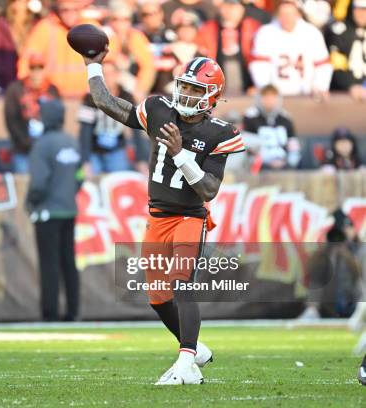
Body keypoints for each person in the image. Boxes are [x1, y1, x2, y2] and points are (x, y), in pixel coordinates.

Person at [82, 50, 245, 385]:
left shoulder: (220, 132)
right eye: (185, 86)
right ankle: (196, 348)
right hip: (157, 217)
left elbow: (209, 190)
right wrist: (92, 64)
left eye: (197, 90)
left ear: (211, 96)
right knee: (158, 296)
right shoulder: (159, 109)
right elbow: (107, 103)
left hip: (189, 216)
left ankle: (185, 363)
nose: (187, 94)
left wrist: (180, 154)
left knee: (182, 284)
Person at [27, 98, 82, 322]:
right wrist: (67, 193)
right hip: (69, 210)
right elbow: (80, 178)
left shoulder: (42, 145)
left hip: (47, 212)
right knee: (68, 262)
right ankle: (72, 311)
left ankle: (50, 312)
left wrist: (31, 201)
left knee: (49, 264)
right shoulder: (72, 142)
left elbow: (39, 182)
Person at [249, 0, 332, 99]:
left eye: (290, 14)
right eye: (283, 14)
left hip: (306, 95)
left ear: (298, 14)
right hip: (276, 96)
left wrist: (320, 87)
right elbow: (259, 66)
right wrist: (265, 88)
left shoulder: (312, 33)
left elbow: (323, 65)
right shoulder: (265, 33)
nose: (287, 18)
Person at [78, 57, 146, 176]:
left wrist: (141, 160)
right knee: (91, 183)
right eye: (105, 74)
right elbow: (85, 132)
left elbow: (136, 130)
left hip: (117, 150)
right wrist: (85, 161)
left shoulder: (126, 97)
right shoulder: (90, 98)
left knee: (119, 182)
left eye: (111, 73)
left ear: (118, 75)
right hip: (95, 151)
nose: (109, 78)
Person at [17, 0, 96, 97]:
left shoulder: (91, 27)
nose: (70, 14)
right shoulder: (45, 28)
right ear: (58, 9)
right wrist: (26, 91)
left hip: (86, 97)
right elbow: (27, 61)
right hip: (53, 98)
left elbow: (110, 54)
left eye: (75, 9)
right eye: (65, 10)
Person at [4, 53, 60, 173]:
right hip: (23, 149)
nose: (36, 72)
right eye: (33, 68)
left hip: (46, 148)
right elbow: (11, 119)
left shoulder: (52, 89)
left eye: (40, 68)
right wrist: (25, 142)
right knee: (24, 184)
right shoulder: (16, 89)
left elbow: (58, 118)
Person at [198, 0, 261, 95]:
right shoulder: (209, 28)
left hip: (247, 83)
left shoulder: (252, 26)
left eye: (234, 7)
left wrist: (257, 84)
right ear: (221, 8)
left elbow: (259, 58)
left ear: (241, 9)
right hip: (217, 86)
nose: (230, 11)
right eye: (227, 6)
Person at [106, 0, 156, 102]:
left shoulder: (136, 37)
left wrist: (140, 89)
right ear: (110, 21)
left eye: (125, 19)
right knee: (108, 69)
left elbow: (148, 66)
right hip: (109, 84)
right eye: (116, 19)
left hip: (133, 84)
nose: (121, 23)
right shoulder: (105, 36)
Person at [242, 84, 300, 171]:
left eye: (273, 97)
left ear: (278, 99)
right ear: (259, 98)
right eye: (266, 97)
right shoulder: (250, 117)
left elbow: (293, 145)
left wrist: (289, 163)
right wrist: (262, 162)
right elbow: (247, 147)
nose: (269, 101)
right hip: (260, 166)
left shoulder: (286, 118)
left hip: (284, 164)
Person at [0, 0, 40, 89]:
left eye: (25, 1)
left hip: (32, 82)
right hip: (6, 83)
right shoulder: (0, 26)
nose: (22, 4)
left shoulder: (37, 25)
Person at [325, 0, 366, 101]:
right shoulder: (338, 31)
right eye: (359, 9)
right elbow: (337, 66)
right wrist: (351, 85)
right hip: (343, 93)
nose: (362, 14)